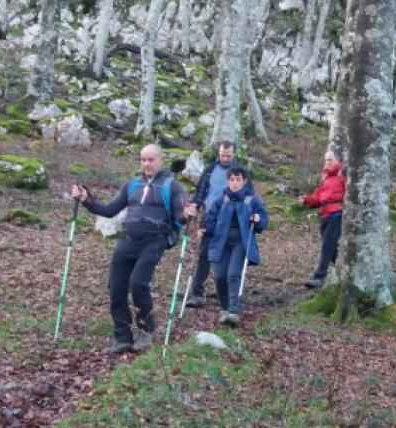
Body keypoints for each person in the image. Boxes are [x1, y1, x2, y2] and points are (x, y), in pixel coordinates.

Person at [71, 144, 187, 355]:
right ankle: (122, 336)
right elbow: (109, 210)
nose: (147, 164)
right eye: (143, 160)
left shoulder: (172, 186)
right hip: (129, 239)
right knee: (116, 287)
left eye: (151, 160)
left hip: (156, 239)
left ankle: (146, 329)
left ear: (161, 161)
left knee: (138, 282)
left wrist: (188, 215)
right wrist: (86, 200)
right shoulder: (131, 185)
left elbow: (180, 217)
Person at [183, 140, 250, 309]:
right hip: (209, 216)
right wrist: (194, 205)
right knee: (204, 253)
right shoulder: (210, 170)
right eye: (222, 155)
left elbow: (249, 194)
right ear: (218, 153)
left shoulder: (240, 172)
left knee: (226, 253)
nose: (225, 158)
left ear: (234, 154)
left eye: (228, 155)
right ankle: (197, 293)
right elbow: (201, 191)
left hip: (230, 218)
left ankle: (226, 290)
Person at [202, 167, 268, 327]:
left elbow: (263, 220)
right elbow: (210, 219)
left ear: (244, 181)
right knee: (219, 277)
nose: (235, 183)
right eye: (232, 179)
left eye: (238, 179)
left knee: (233, 275)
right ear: (228, 181)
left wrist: (258, 219)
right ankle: (224, 308)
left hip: (241, 242)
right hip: (220, 242)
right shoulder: (221, 199)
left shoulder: (252, 199)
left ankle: (233, 310)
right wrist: (204, 228)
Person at [302, 150, 346, 289]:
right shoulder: (325, 177)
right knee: (331, 249)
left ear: (338, 161)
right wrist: (306, 200)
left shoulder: (343, 175)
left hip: (337, 215)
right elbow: (318, 198)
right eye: (326, 160)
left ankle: (319, 277)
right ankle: (345, 270)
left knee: (327, 245)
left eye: (330, 160)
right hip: (325, 215)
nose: (327, 162)